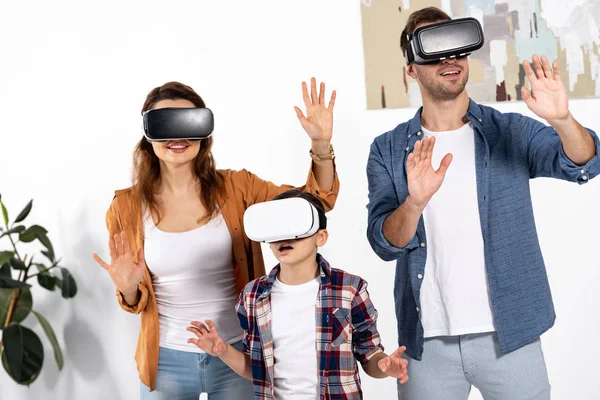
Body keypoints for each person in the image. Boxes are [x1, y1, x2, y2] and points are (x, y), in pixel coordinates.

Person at [366, 6, 599, 400]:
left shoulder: (508, 130)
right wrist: (414, 203)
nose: (449, 58)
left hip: (511, 335)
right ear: (411, 69)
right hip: (427, 344)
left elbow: (582, 163)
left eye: (456, 47)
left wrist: (561, 120)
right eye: (433, 50)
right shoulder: (387, 150)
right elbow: (383, 242)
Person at [92, 78, 340, 399]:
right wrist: (127, 287)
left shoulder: (238, 188)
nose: (178, 137)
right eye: (165, 124)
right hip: (166, 358)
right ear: (147, 135)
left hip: (236, 354)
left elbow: (314, 204)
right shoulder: (125, 208)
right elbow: (133, 300)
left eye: (188, 123)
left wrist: (321, 146)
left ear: (203, 131)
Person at [187, 189, 410, 400]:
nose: (285, 236)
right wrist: (223, 350)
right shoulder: (252, 296)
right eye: (277, 228)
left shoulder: (349, 289)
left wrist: (385, 366)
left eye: (296, 227)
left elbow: (370, 355)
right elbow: (257, 369)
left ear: (320, 237)